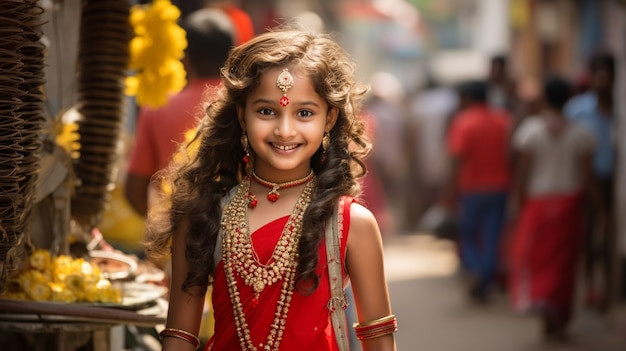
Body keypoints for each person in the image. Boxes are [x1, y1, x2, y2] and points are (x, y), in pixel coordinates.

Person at [144, 29, 398, 351]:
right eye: (266, 111)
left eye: (304, 113)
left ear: (329, 119)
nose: (285, 129)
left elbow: (378, 338)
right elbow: (180, 335)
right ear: (242, 115)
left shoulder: (352, 223)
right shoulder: (203, 216)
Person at [507, 76, 600, 339]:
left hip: (538, 205)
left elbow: (523, 174)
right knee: (564, 263)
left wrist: (516, 203)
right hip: (569, 206)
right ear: (570, 99)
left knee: (539, 260)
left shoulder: (531, 130)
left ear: (544, 98)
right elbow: (589, 177)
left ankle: (545, 310)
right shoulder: (581, 133)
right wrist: (600, 210)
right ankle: (559, 316)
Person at [124, 8, 236, 217]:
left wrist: (164, 228)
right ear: (232, 56)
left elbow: (134, 190)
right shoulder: (245, 106)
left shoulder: (158, 106)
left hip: (176, 233)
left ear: (185, 58)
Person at [442, 80, 512, 303]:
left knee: (468, 235)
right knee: (492, 235)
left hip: (471, 188)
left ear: (468, 98)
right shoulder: (504, 120)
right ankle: (485, 276)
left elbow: (457, 158)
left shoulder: (463, 122)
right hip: (500, 187)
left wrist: (449, 189)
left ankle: (475, 270)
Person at [563, 52, 615, 313]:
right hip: (585, 184)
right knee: (586, 238)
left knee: (611, 240)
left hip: (614, 185)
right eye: (598, 76)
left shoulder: (619, 109)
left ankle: (610, 291)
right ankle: (591, 287)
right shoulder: (577, 110)